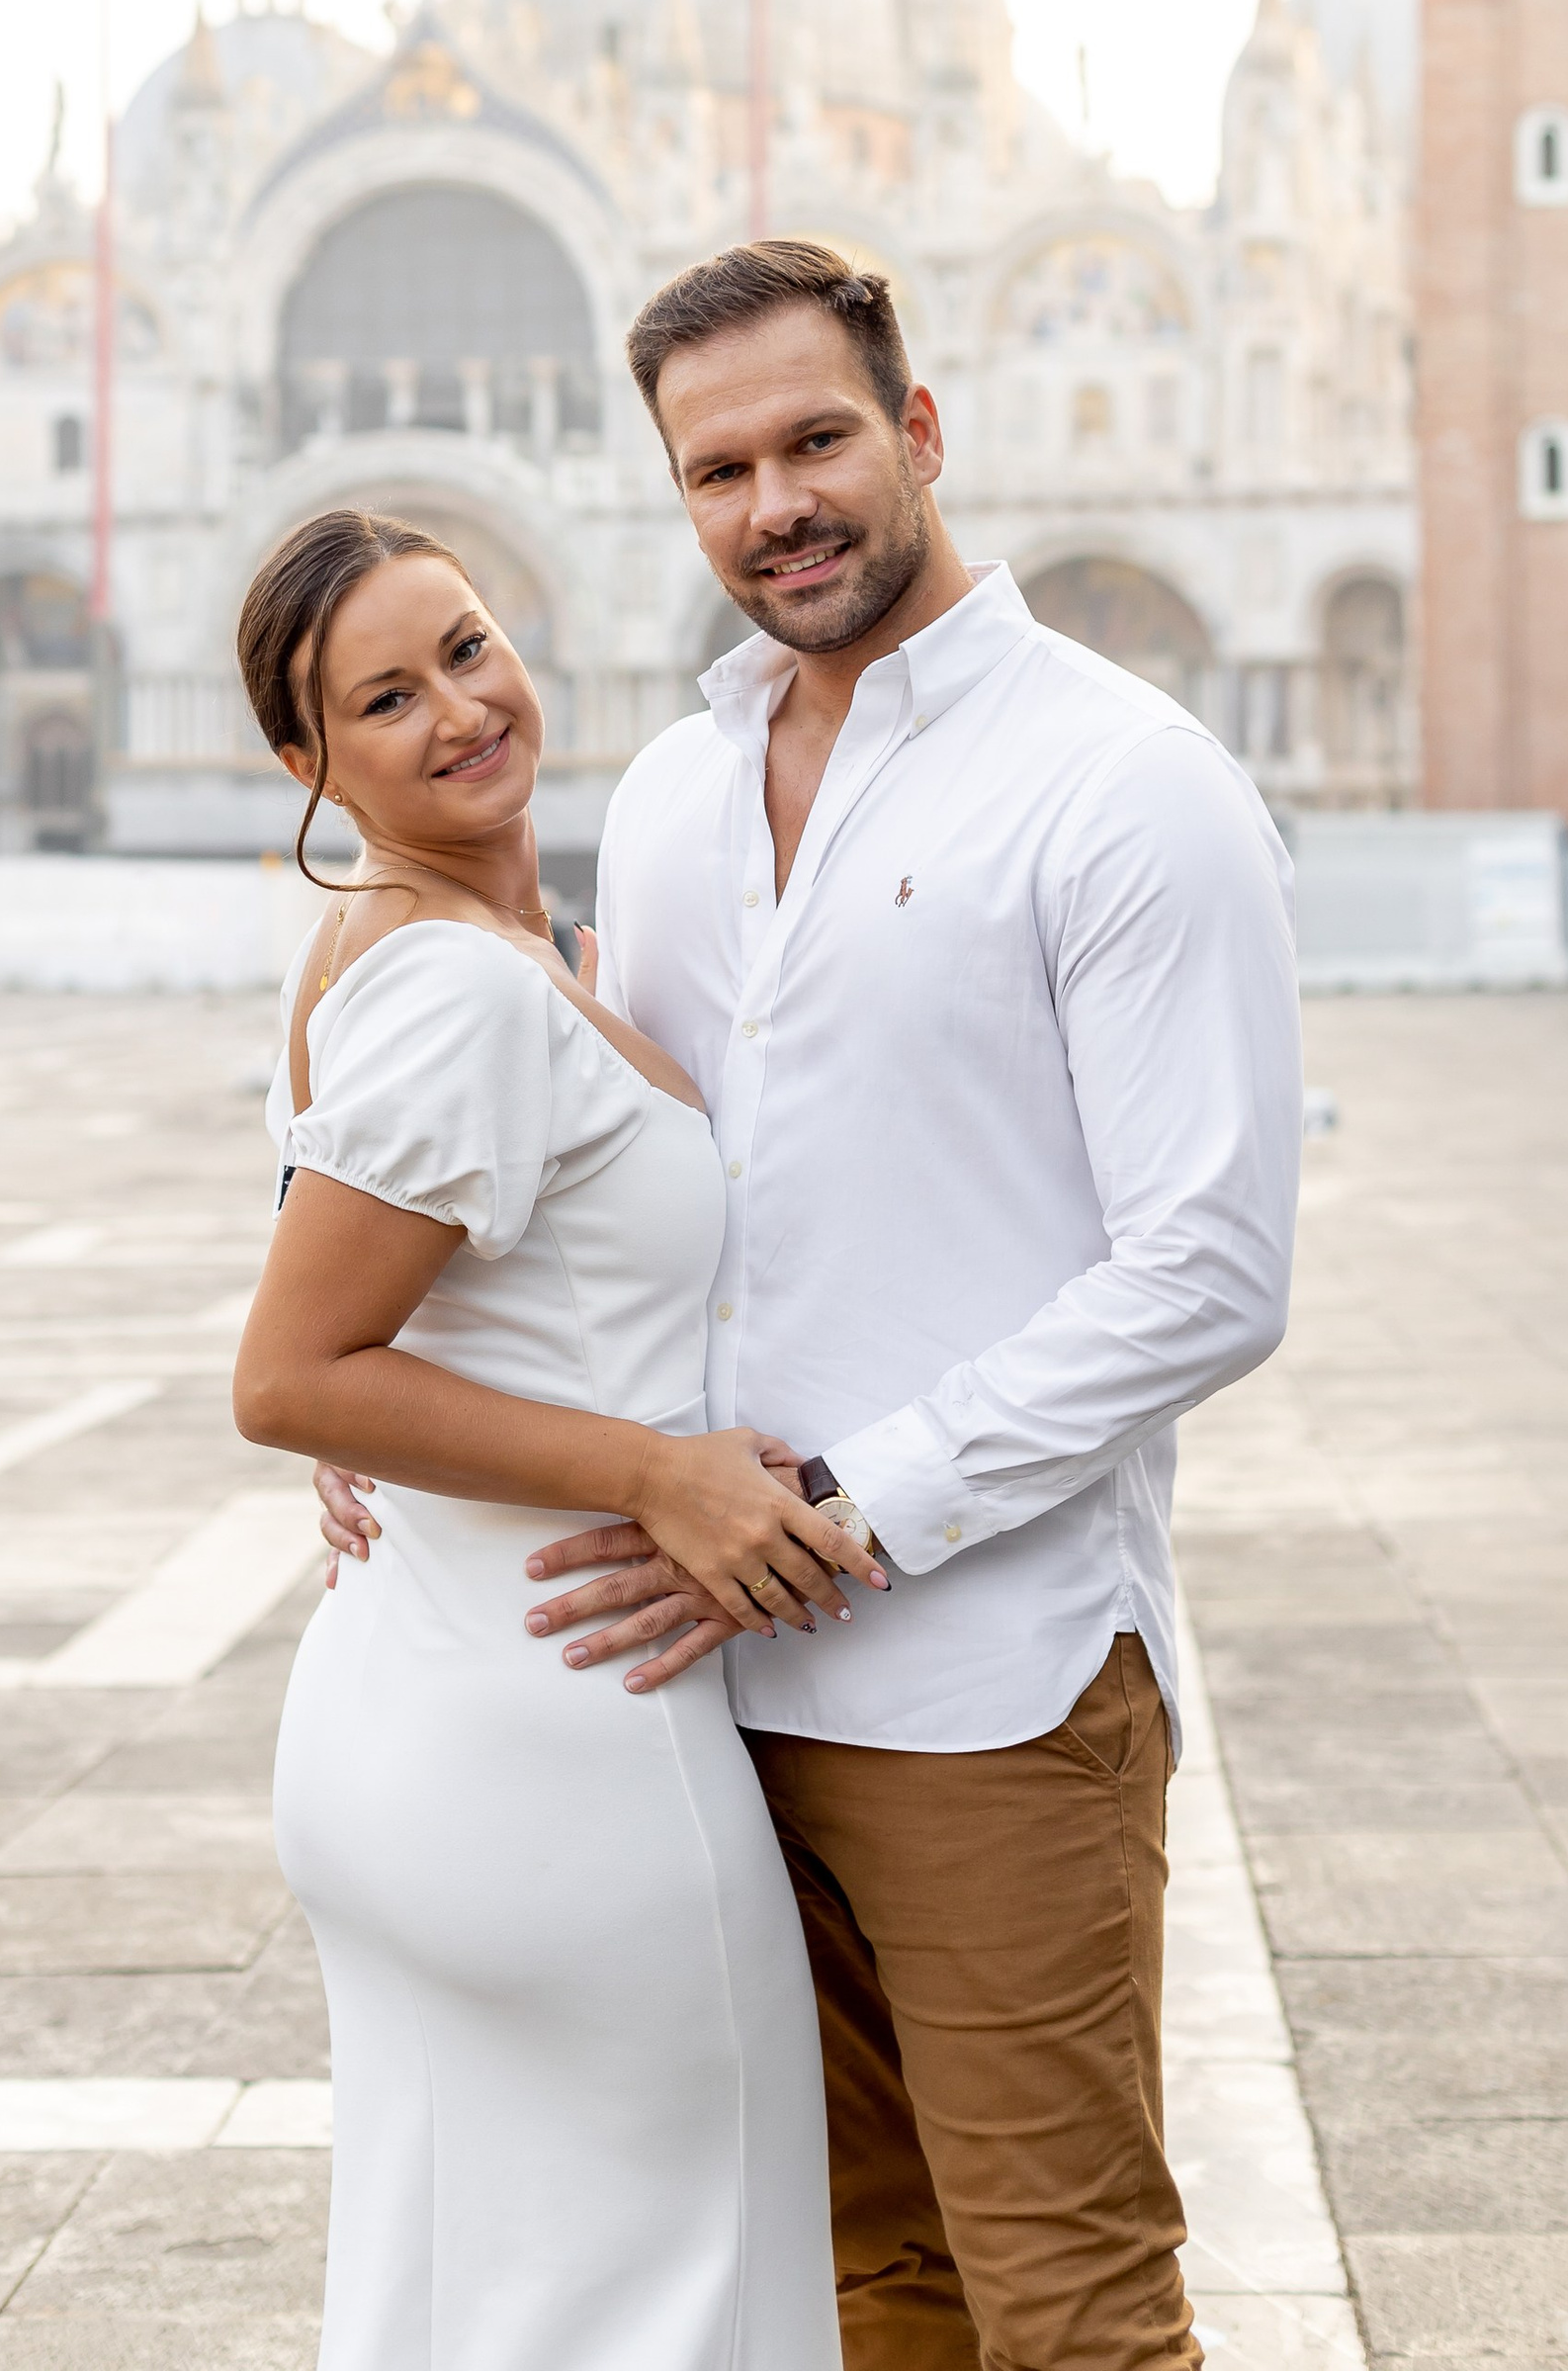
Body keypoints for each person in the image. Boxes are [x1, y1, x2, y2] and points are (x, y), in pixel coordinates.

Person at [319, 241, 1302, 2371]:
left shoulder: (1122, 785)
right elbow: (595, 1182)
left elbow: (1207, 1268)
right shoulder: (671, 795)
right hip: (681, 1715)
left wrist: (844, 1507)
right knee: (853, 2283)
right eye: (716, 469)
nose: (772, 502)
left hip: (979, 1682)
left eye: (814, 441)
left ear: (920, 432)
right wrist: (381, 1412)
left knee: (1067, 2309)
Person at [230, 505, 874, 2371]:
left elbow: (388, 1314)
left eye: (468, 644)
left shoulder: (404, 945)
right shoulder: (450, 983)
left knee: (469, 2299)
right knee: (685, 2291)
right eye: (385, 697)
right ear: (310, 764)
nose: (461, 707)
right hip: (564, 1737)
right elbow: (292, 1374)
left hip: (423, 1707)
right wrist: (657, 1470)